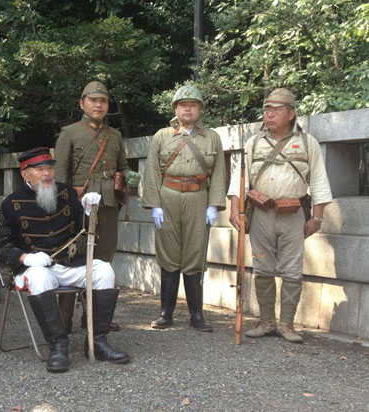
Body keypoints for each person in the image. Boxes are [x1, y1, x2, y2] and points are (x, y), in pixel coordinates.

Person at [0, 147, 130, 373]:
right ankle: (57, 346)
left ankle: (97, 342)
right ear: (25, 174)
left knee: (104, 270)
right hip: (34, 268)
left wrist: (90, 212)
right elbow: (0, 244)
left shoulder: (66, 194)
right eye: (40, 170)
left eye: (49, 168)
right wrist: (26, 258)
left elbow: (85, 232)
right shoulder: (11, 202)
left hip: (69, 263)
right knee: (39, 277)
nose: (47, 174)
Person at [228, 88, 332, 343]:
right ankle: (266, 322)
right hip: (260, 213)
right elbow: (240, 180)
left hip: (293, 213)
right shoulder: (254, 143)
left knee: (293, 269)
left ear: (291, 113)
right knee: (262, 266)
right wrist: (234, 209)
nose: (269, 114)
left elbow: (319, 179)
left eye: (276, 110)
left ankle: (287, 325)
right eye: (267, 110)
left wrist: (317, 217)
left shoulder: (307, 142)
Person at [53, 81, 141, 332]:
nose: (98, 105)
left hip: (108, 203)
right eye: (93, 100)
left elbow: (122, 166)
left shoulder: (115, 135)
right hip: (78, 204)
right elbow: (60, 174)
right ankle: (63, 318)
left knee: (104, 257)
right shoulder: (69, 133)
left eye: (103, 101)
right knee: (73, 257)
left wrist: (130, 175)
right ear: (82, 103)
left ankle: (96, 318)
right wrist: (63, 206)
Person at [142, 83, 226, 332]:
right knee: (168, 254)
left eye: (192, 105)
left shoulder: (211, 137)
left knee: (194, 254)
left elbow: (219, 173)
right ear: (175, 109)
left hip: (198, 197)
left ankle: (196, 315)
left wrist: (214, 204)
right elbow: (152, 171)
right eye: (183, 105)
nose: (187, 109)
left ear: (200, 109)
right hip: (168, 196)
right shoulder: (162, 136)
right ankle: (165, 313)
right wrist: (154, 205)